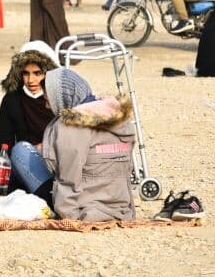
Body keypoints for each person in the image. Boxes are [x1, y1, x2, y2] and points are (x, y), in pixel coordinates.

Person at [29, 68, 137, 221]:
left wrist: (69, 216)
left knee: (21, 152)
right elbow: (126, 172)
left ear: (63, 97)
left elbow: (68, 178)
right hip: (120, 205)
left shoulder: (71, 126)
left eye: (48, 101)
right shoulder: (119, 118)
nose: (47, 106)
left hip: (86, 207)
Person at [0, 41, 59, 190]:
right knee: (19, 150)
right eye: (26, 73)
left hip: (61, 163)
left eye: (37, 73)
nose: (31, 80)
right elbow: (4, 144)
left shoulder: (60, 98)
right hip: (27, 163)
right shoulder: (12, 100)